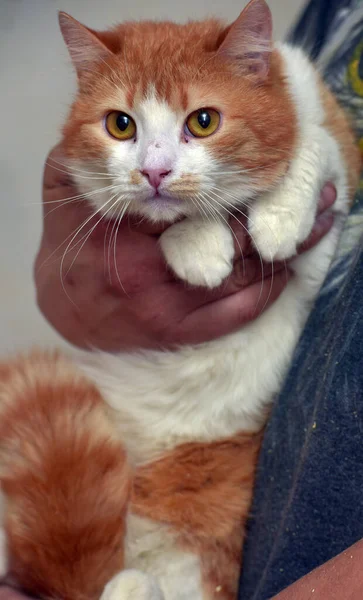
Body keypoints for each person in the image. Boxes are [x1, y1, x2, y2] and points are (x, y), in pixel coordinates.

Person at [1, 0, 362, 599]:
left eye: (197, 123)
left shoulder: (289, 113)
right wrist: (62, 278)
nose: (155, 170)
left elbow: (300, 137)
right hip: (146, 434)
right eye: (123, 126)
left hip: (236, 495)